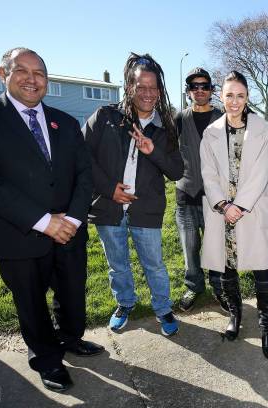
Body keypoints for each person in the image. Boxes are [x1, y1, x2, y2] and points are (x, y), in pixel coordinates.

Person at [0, 47, 102, 392]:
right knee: (31, 302)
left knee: (72, 295)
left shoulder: (65, 122)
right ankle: (48, 359)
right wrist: (42, 221)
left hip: (70, 232)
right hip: (18, 234)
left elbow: (84, 175)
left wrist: (74, 220)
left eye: (40, 73)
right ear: (2, 74)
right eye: (22, 70)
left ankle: (69, 339)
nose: (32, 79)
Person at [83, 53, 183, 336]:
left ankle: (163, 308)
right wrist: (108, 188)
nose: (148, 93)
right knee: (118, 265)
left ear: (160, 91)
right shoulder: (105, 117)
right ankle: (125, 303)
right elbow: (81, 157)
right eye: (141, 87)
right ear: (129, 87)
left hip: (146, 210)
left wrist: (154, 152)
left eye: (154, 88)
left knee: (155, 266)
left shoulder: (166, 127)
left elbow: (176, 171)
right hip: (108, 208)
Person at [200, 71, 268, 359]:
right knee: (226, 269)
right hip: (222, 213)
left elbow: (261, 172)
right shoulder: (211, 132)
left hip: (251, 210)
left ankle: (266, 327)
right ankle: (235, 316)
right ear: (221, 96)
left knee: (261, 270)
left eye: (240, 95)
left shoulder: (261, 128)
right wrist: (223, 205)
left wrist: (239, 206)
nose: (234, 101)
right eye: (229, 95)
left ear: (247, 98)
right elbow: (207, 173)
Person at [174, 67, 226, 312]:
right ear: (188, 92)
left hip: (216, 197)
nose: (200, 90)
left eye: (204, 86)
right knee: (190, 247)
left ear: (212, 90)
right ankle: (194, 286)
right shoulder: (178, 119)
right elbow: (168, 152)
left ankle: (219, 287)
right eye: (194, 86)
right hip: (186, 194)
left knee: (215, 246)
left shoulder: (224, 117)